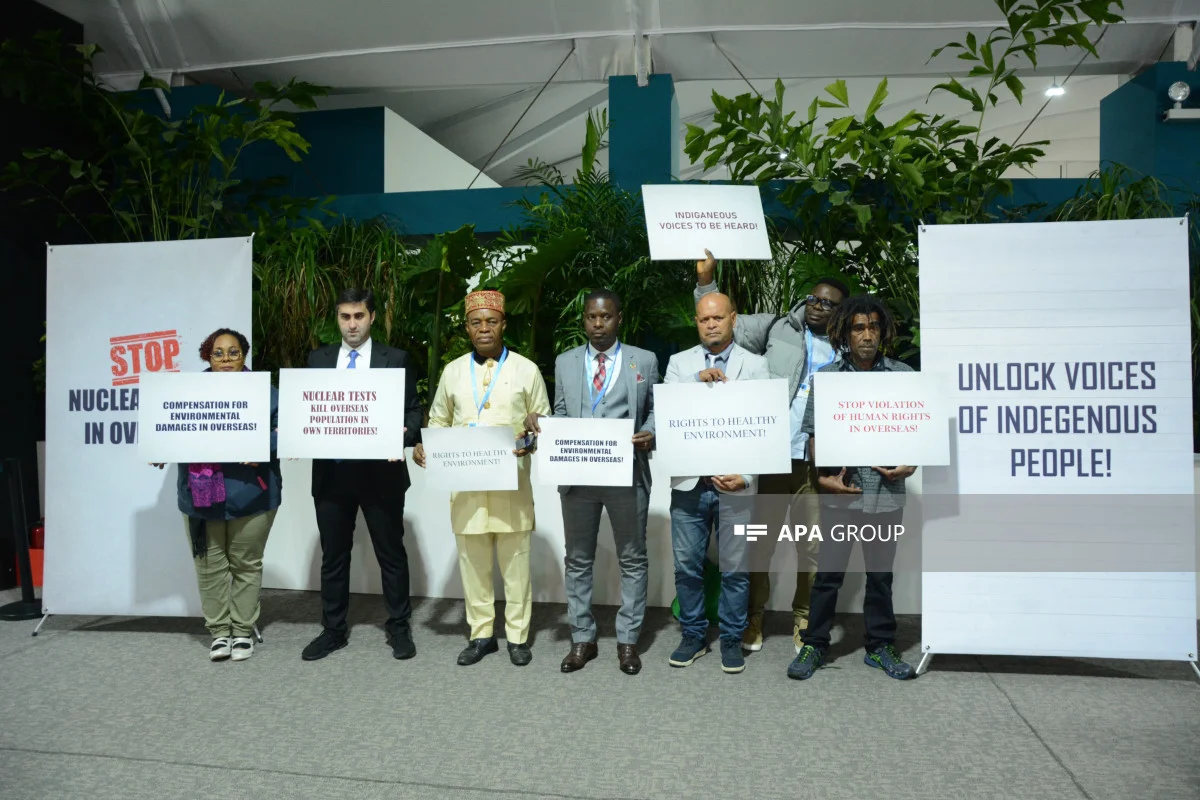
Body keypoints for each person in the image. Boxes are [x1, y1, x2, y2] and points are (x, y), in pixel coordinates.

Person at [695, 250, 849, 653]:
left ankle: (804, 619)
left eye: (828, 304)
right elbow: (724, 324)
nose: (817, 307)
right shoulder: (778, 327)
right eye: (813, 299)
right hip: (772, 458)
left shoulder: (849, 347)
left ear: (841, 312)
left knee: (812, 548)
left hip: (819, 463)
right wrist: (707, 281)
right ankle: (753, 617)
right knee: (759, 544)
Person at [523, 290, 658, 676]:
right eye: (591, 318)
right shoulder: (566, 362)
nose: (598, 325)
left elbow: (654, 412)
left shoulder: (643, 360)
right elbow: (562, 412)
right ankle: (582, 637)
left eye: (606, 317)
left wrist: (649, 432)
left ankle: (628, 640)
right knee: (578, 559)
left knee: (632, 558)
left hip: (626, 475)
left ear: (619, 318)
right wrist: (542, 423)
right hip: (578, 477)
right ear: (583, 320)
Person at [413, 289, 551, 667]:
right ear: (467, 328)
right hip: (466, 487)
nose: (484, 329)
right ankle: (481, 634)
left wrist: (532, 439)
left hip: (512, 486)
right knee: (472, 565)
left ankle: (518, 637)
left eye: (492, 321)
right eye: (477, 323)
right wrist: (425, 446)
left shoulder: (526, 369)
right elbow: (439, 420)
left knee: (516, 564)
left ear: (503, 324)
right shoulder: (453, 371)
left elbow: (543, 421)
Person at [789, 294, 916, 681]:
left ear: (884, 332)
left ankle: (880, 646)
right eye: (859, 327)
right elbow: (813, 436)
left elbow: (917, 432)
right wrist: (821, 475)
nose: (867, 335)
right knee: (828, 575)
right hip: (840, 495)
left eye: (873, 327)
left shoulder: (903, 377)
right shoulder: (826, 378)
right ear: (846, 333)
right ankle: (815, 644)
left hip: (886, 494)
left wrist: (912, 462)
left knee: (881, 576)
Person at [301, 288, 424, 662]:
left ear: (371, 317)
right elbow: (306, 410)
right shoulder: (317, 360)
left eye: (358, 316)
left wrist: (405, 434)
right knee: (333, 557)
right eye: (344, 317)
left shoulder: (397, 358)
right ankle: (333, 630)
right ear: (336, 319)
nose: (351, 324)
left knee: (391, 554)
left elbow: (414, 412)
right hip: (332, 476)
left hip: (381, 475)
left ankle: (398, 627)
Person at [153, 328, 281, 662]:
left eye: (233, 352)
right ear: (208, 356)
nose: (226, 359)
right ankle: (219, 633)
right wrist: (158, 445)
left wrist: (264, 447)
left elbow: (287, 432)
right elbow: (167, 426)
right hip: (200, 497)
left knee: (245, 564)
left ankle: (241, 632)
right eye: (218, 353)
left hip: (253, 494)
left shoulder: (266, 394)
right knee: (209, 567)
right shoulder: (186, 394)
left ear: (245, 355)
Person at [664, 292, 770, 675]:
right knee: (687, 566)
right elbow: (667, 413)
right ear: (697, 322)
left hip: (736, 484)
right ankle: (693, 635)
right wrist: (695, 382)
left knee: (736, 568)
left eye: (718, 318)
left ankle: (730, 637)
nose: (710, 325)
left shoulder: (757, 366)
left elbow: (766, 429)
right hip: (690, 484)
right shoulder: (679, 365)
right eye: (704, 319)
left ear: (733, 319)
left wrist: (747, 476)